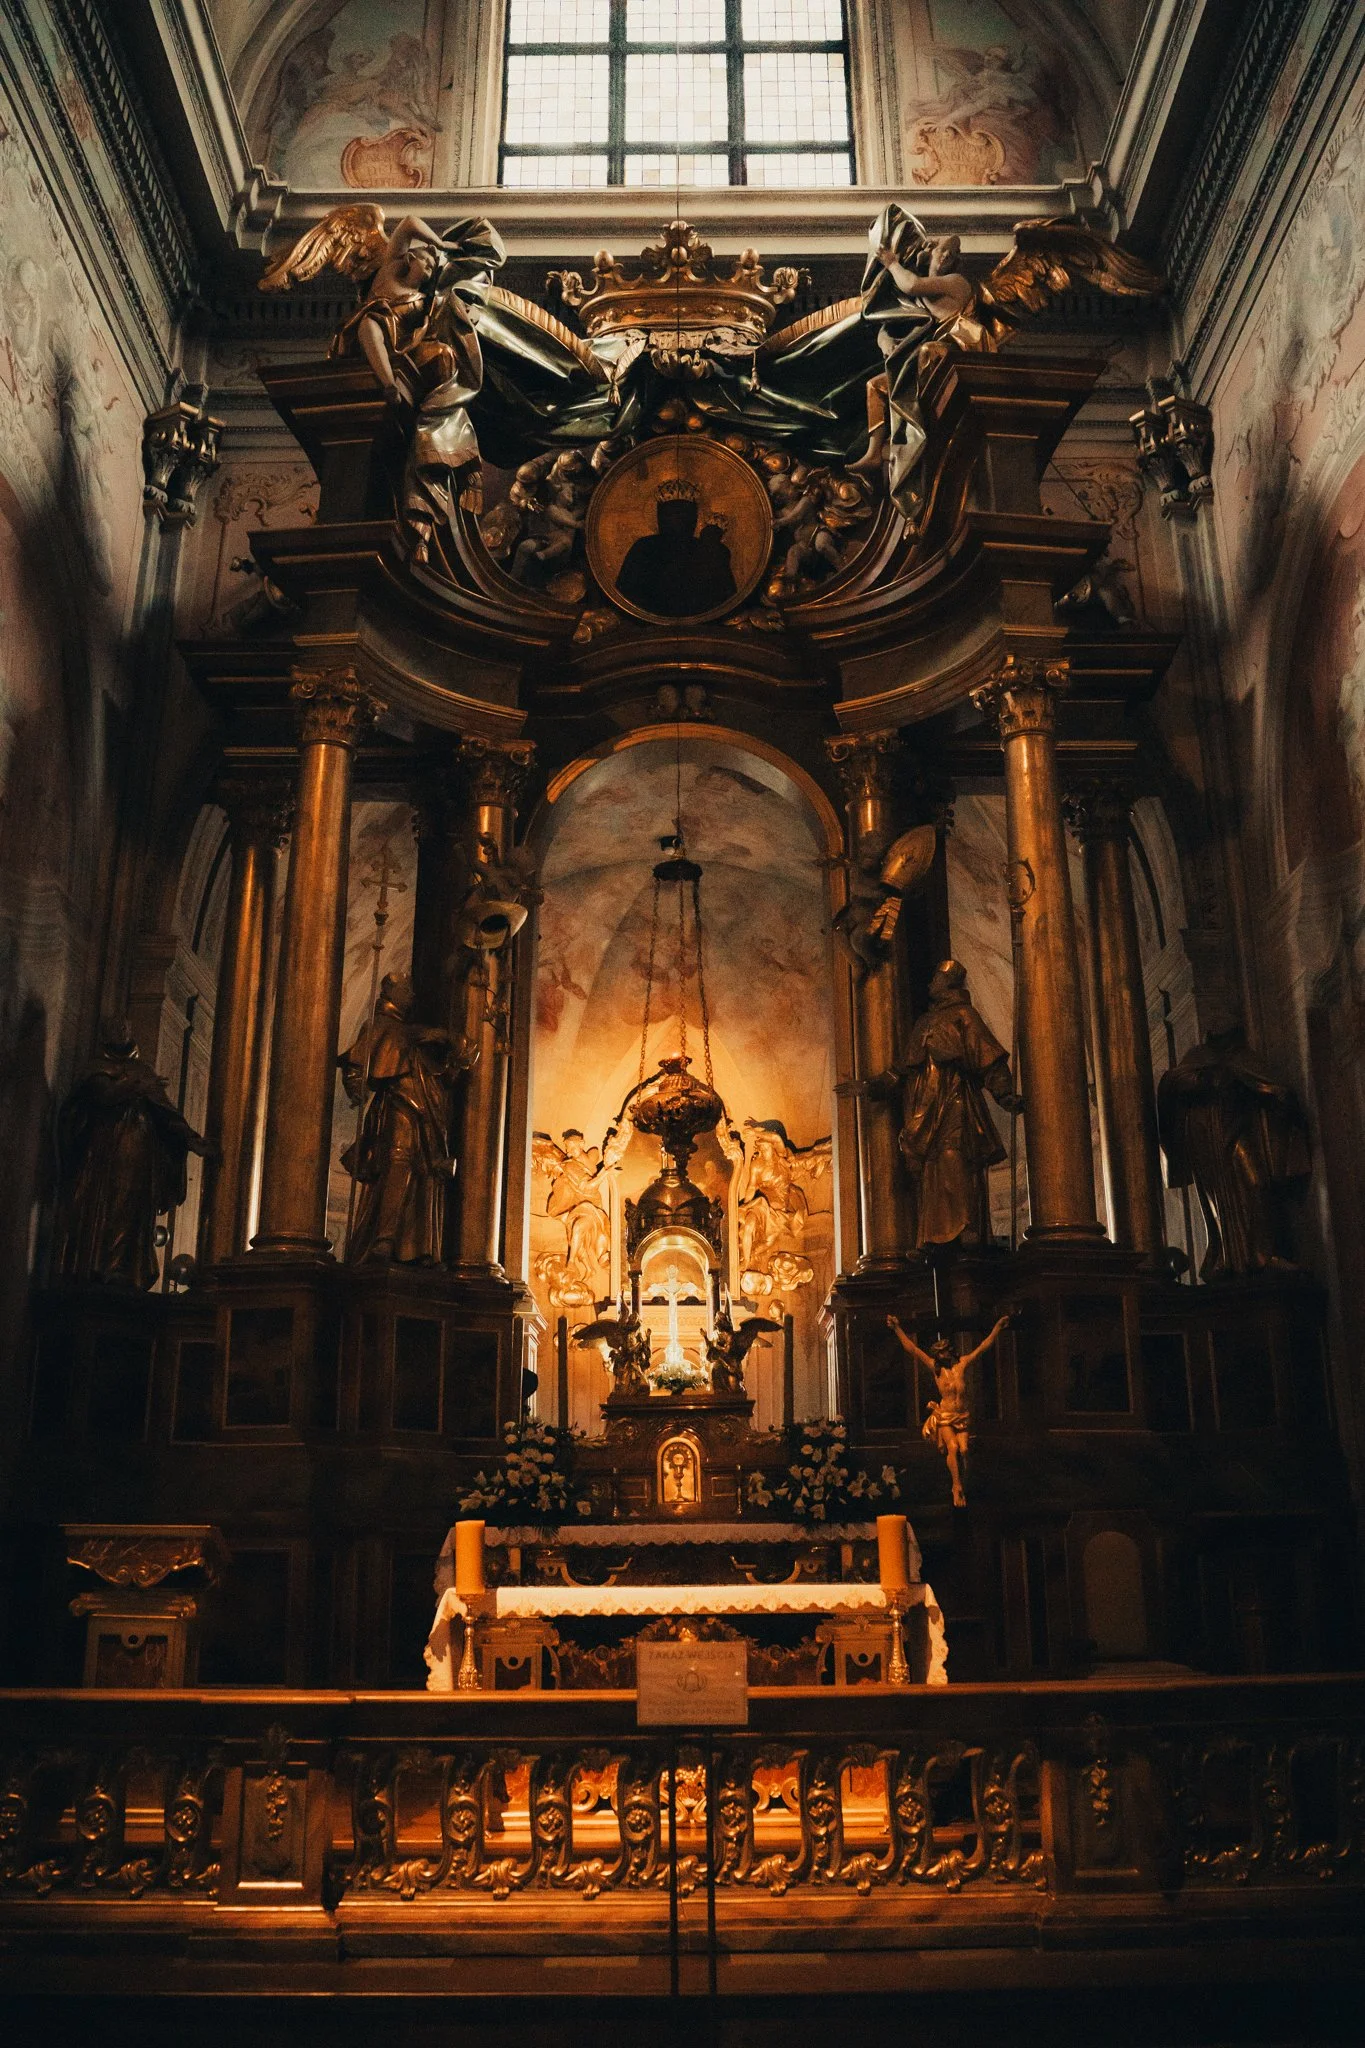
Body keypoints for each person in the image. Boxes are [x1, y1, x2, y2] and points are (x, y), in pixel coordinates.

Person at [52, 1028, 209, 1290]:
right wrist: (134, 1087)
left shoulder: (144, 1072)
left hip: (138, 1152)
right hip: (105, 1152)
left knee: (133, 1208)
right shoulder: (96, 1070)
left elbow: (166, 1114)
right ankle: (99, 1267)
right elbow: (100, 1096)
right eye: (117, 1029)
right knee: (108, 1204)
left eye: (126, 1030)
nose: (122, 1033)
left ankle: (125, 1270)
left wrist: (192, 1139)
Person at [1156, 1024, 1310, 1278]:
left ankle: (1262, 1255)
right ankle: (1228, 1258)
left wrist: (1275, 1095)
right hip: (1211, 1142)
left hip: (1237, 1132)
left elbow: (1262, 1085)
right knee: (1221, 1201)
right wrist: (1207, 1079)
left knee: (1257, 1184)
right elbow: (1173, 1085)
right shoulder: (1197, 1059)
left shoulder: (1243, 1060)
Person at [339, 973, 471, 1265]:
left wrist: (448, 1043)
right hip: (399, 1108)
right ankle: (384, 1239)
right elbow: (358, 1064)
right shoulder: (383, 1028)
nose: (411, 996)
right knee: (399, 1163)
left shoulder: (415, 1034)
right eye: (406, 990)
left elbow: (440, 1072)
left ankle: (420, 1248)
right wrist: (356, 1085)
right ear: (390, 991)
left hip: (427, 1116)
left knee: (424, 1173)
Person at [893, 959, 1022, 1249]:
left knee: (954, 1157)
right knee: (931, 1168)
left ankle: (966, 1226)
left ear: (948, 981)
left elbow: (986, 1056)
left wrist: (1003, 1093)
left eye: (935, 979)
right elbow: (905, 1067)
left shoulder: (964, 1015)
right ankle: (931, 1234)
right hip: (923, 1107)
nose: (930, 985)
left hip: (954, 1098)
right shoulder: (924, 1022)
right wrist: (878, 1082)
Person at [886, 1314, 1009, 1507]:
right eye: (939, 1353)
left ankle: (965, 1483)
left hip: (962, 1415)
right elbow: (913, 1349)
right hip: (945, 1414)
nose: (942, 1356)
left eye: (944, 1352)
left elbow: (983, 1347)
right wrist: (897, 1328)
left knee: (965, 1450)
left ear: (949, 1351)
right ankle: (956, 1486)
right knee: (952, 1447)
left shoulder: (961, 1365)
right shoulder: (936, 1369)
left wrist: (997, 1328)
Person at [617, 485, 736, 616]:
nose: (678, 521)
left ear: (694, 517)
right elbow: (625, 595)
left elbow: (728, 600)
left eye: (684, 514)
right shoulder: (644, 548)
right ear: (660, 517)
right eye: (671, 514)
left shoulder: (708, 548)